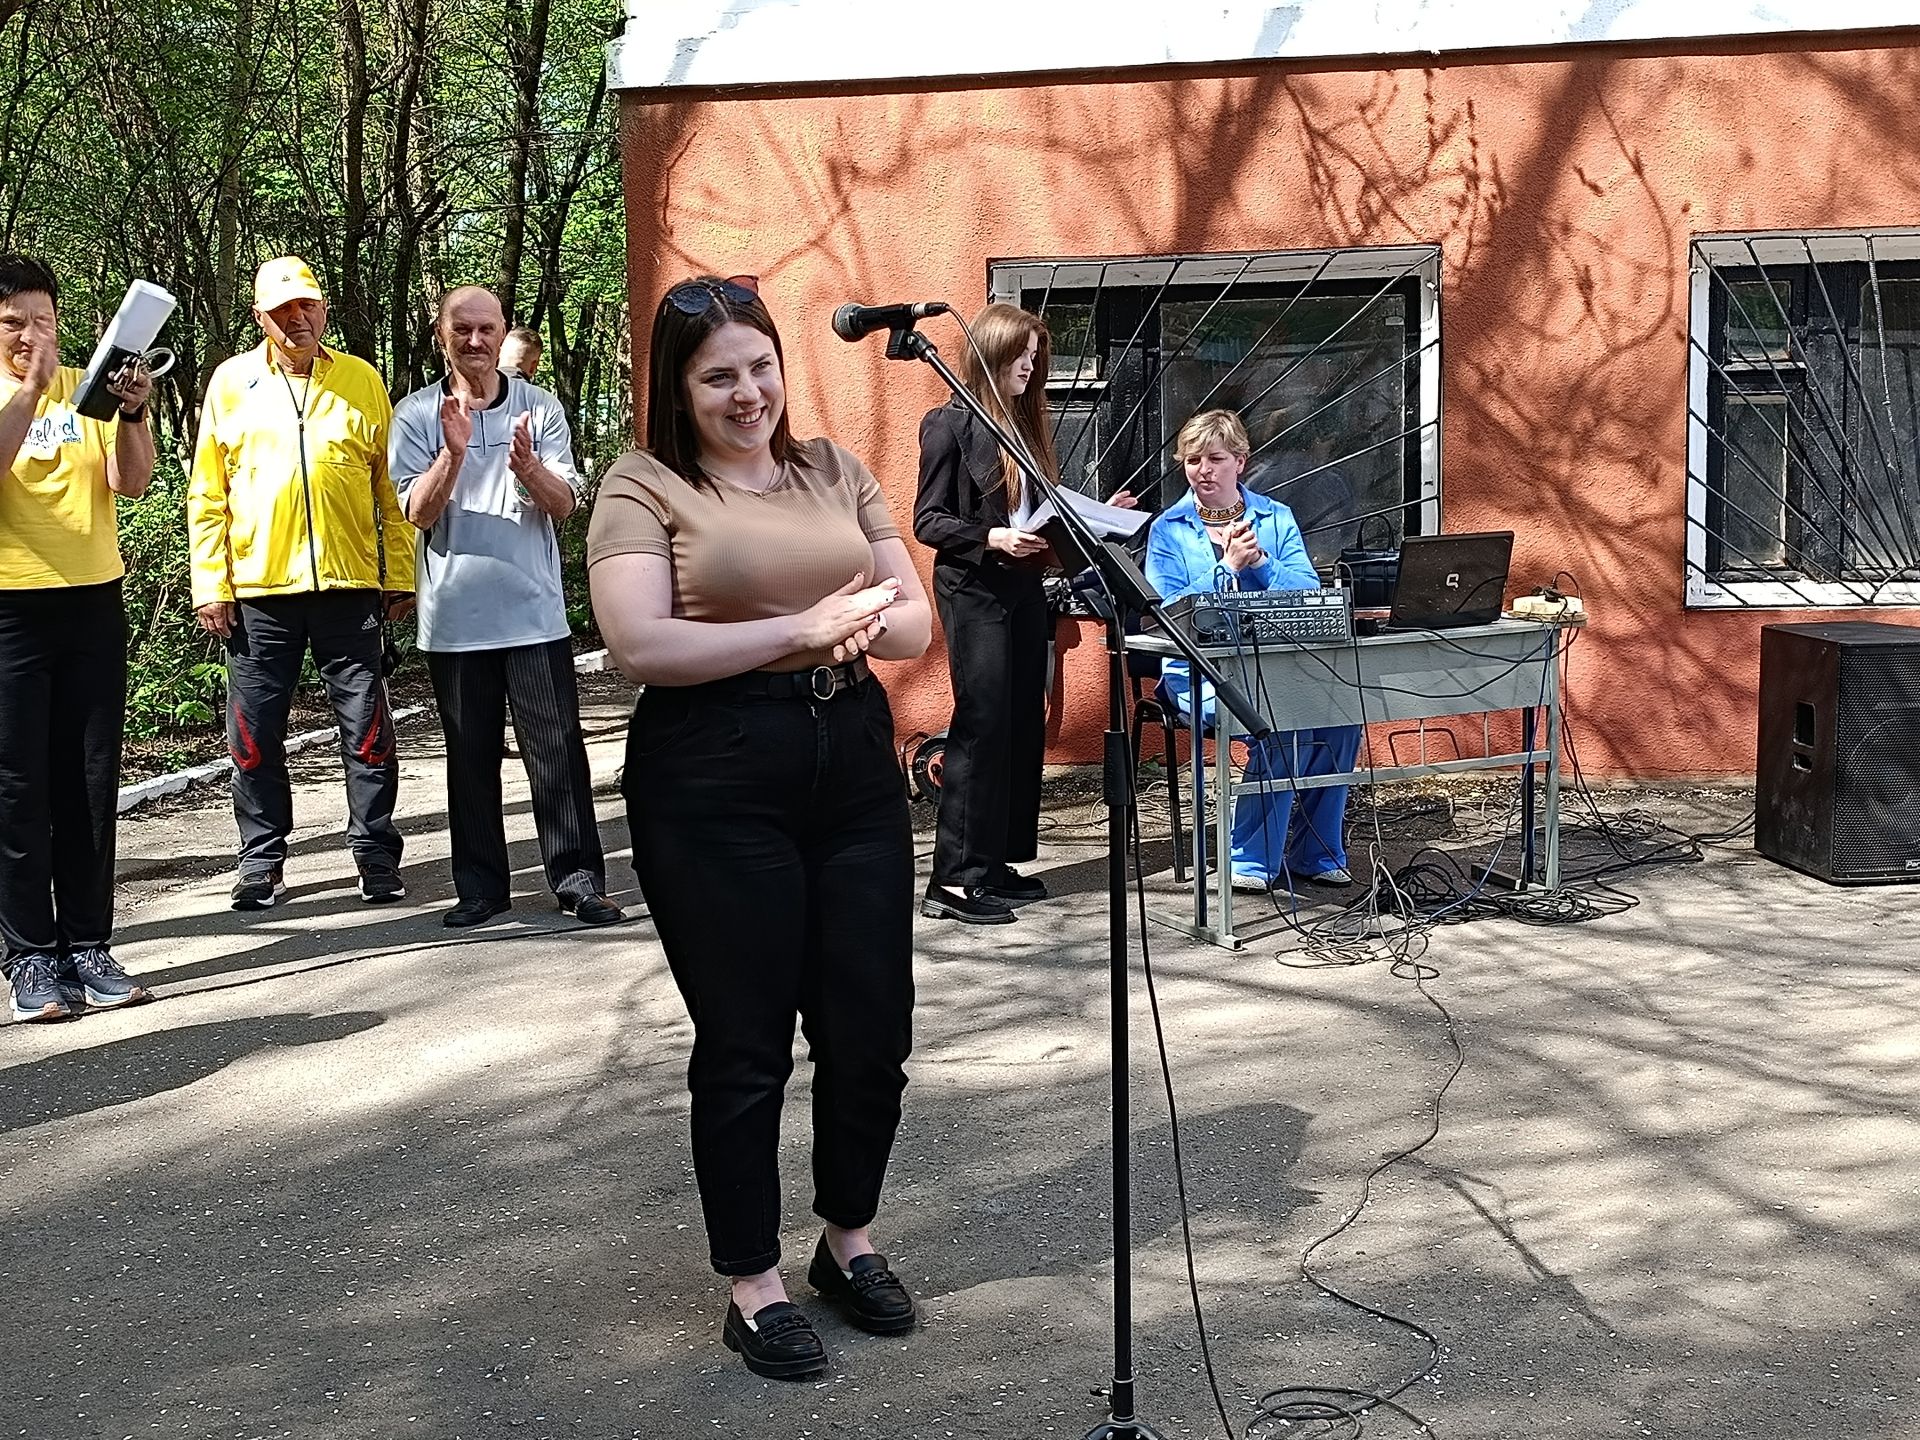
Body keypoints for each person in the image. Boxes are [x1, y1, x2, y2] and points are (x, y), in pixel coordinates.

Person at [587, 274, 932, 1380]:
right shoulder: (643, 485)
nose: (748, 394)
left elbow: (912, 621)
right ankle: (752, 1282)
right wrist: (802, 629)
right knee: (746, 1043)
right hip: (714, 771)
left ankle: (847, 1239)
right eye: (718, 377)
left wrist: (845, 629)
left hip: (851, 760)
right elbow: (641, 644)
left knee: (870, 1028)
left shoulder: (834, 469)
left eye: (761, 367)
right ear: (677, 388)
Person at [188, 256, 415, 911]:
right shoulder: (231, 383)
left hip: (350, 588)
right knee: (254, 737)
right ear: (260, 317)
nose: (297, 318)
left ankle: (375, 855)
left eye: (307, 305)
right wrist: (211, 584)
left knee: (367, 732)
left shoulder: (361, 380)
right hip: (259, 592)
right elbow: (207, 493)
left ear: (323, 310)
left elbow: (391, 488)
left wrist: (399, 574)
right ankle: (261, 861)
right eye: (282, 309)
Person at [390, 286, 621, 929]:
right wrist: (454, 453)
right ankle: (481, 889)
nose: (475, 340)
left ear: (502, 332)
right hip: (456, 620)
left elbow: (565, 504)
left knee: (557, 753)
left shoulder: (539, 407)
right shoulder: (416, 414)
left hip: (533, 615)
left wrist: (528, 470)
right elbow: (418, 512)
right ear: (440, 335)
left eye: (486, 328)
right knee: (470, 760)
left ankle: (577, 881)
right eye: (461, 329)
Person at [913, 303, 1136, 923]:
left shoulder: (1021, 427)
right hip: (974, 589)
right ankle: (953, 880)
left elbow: (1034, 511)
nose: (1032, 367)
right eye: (1023, 355)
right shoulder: (948, 424)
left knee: (1019, 724)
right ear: (992, 353)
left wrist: (1094, 515)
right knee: (982, 723)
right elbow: (928, 520)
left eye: (1037, 357)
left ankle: (994, 863)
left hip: (1024, 587)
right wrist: (990, 539)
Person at [0, 253, 157, 1021]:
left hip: (93, 600)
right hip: (10, 610)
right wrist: (29, 390)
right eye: (13, 323)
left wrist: (132, 414)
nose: (33, 334)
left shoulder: (85, 389)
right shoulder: (21, 391)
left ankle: (88, 945)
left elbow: (132, 482)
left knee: (90, 783)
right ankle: (30, 957)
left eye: (45, 320)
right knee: (18, 788)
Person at [1144, 409, 1360, 892]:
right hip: (1196, 673)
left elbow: (1308, 588)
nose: (1204, 470)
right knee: (1279, 723)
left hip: (1278, 665)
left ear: (1240, 462)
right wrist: (1226, 568)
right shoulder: (1168, 529)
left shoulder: (1275, 517)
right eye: (1193, 460)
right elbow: (1167, 610)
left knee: (1341, 719)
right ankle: (1251, 859)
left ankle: (1317, 852)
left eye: (1216, 459)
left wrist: (1260, 562)